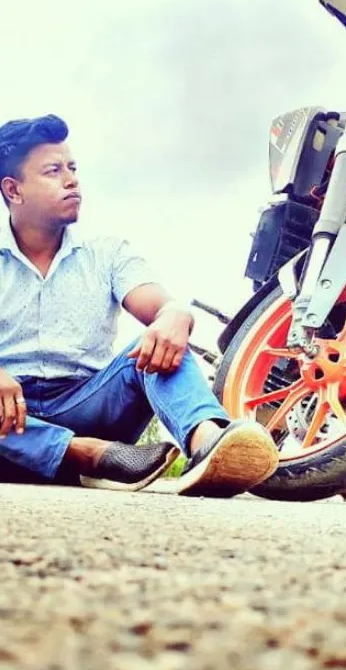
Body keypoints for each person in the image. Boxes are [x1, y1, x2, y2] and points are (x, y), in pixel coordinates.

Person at [0, 115, 279, 496]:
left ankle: (210, 446)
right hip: (7, 419)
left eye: (72, 167)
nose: (71, 179)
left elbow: (162, 308)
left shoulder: (107, 252)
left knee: (159, 344)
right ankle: (83, 456)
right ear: (13, 191)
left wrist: (176, 316)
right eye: (53, 171)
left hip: (88, 407)